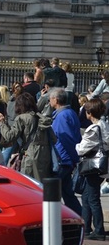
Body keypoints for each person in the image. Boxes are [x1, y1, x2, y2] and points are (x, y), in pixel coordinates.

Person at [0, 92, 55, 181]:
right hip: (44, 155)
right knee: (41, 185)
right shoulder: (41, 118)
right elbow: (54, 139)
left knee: (28, 184)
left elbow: (9, 136)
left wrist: (2, 122)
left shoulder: (22, 118)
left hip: (30, 155)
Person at [75, 98, 109, 240]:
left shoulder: (93, 129)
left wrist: (77, 145)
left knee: (92, 198)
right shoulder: (105, 125)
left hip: (92, 166)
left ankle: (98, 230)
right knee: (87, 196)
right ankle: (87, 227)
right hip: (101, 165)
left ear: (89, 113)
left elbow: (81, 149)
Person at [50, 87, 82, 215]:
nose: (49, 102)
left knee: (53, 192)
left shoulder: (62, 116)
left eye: (50, 99)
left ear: (56, 100)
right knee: (67, 192)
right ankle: (78, 215)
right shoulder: (69, 113)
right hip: (66, 158)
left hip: (62, 159)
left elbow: (64, 138)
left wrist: (72, 157)